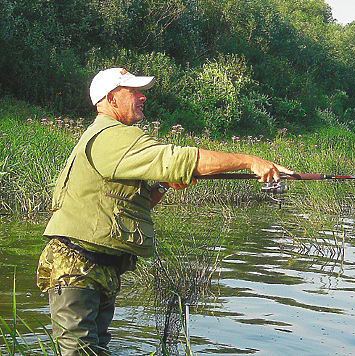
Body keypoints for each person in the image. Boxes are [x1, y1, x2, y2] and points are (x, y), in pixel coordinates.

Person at [36, 67, 293, 355]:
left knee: (95, 348)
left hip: (101, 267)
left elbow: (132, 207)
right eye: (133, 91)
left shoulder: (112, 139)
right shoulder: (111, 136)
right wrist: (250, 161)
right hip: (76, 268)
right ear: (110, 99)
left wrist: (161, 186)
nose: (142, 96)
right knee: (79, 352)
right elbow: (178, 158)